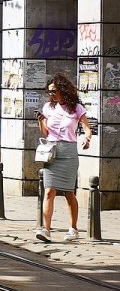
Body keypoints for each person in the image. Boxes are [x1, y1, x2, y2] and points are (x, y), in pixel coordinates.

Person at [35, 72, 94, 242]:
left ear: (63, 90)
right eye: (50, 92)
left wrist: (87, 138)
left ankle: (73, 228)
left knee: (69, 192)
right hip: (51, 151)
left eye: (54, 91)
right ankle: (46, 229)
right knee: (49, 191)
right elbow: (46, 132)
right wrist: (41, 121)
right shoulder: (48, 108)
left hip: (68, 153)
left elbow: (87, 128)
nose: (51, 94)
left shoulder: (76, 108)